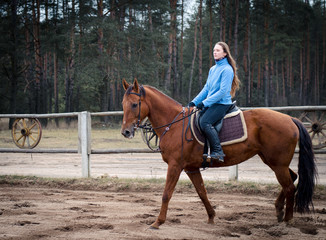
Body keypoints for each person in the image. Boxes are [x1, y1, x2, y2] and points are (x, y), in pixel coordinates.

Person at [189, 42, 240, 162]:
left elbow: (223, 92)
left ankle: (218, 151)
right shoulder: (213, 69)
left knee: (205, 122)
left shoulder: (227, 69)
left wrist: (205, 103)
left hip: (222, 104)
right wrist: (194, 102)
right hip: (212, 103)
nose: (215, 52)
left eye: (217, 50)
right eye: (214, 50)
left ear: (225, 53)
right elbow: (207, 88)